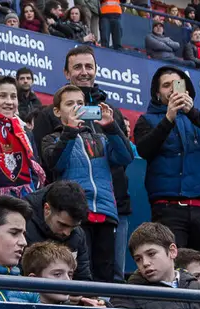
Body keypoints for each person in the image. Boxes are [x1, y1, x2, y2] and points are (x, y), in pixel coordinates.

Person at [32, 46, 132, 282]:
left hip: (108, 210)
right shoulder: (51, 128)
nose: (77, 108)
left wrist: (110, 127)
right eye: (77, 67)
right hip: (74, 213)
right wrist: (69, 132)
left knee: (108, 276)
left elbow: (125, 158)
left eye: (89, 66)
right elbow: (52, 163)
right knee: (77, 273)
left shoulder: (105, 125)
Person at [134, 65, 200, 273]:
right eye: (166, 85)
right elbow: (144, 149)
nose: (171, 89)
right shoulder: (147, 120)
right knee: (173, 272)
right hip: (168, 208)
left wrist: (192, 112)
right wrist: (168, 118)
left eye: (177, 84)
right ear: (158, 93)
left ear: (186, 90)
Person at [109, 223, 200, 309]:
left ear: (172, 251)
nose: (145, 263)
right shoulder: (126, 297)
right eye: (138, 259)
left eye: (151, 254)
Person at [23, 180, 92, 281]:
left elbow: (83, 278)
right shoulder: (22, 224)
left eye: (73, 227)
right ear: (47, 209)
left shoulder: (78, 235)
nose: (67, 233)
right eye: (62, 224)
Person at [22, 242, 105, 306]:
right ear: (34, 279)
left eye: (70, 275)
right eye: (57, 274)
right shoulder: (19, 307)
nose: (67, 280)